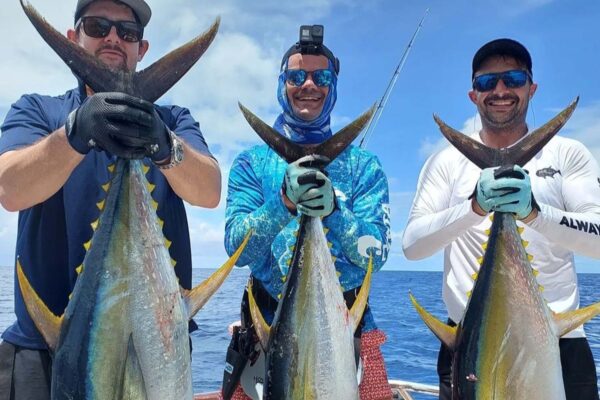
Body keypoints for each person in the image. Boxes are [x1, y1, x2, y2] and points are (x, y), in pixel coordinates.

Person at [0, 0, 221, 398]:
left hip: (154, 346)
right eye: (98, 26)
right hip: (40, 352)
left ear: (142, 49)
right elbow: (10, 189)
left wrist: (164, 145)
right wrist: (75, 132)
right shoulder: (38, 110)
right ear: (74, 37)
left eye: (128, 32)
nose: (114, 38)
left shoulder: (172, 120)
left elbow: (209, 191)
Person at [402, 38, 600, 400]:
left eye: (513, 78)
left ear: (531, 87)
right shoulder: (445, 162)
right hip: (471, 343)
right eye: (486, 82)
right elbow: (412, 245)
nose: (500, 90)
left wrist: (534, 214)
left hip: (560, 340)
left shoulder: (569, 154)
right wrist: (474, 206)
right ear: (473, 95)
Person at [222, 25, 393, 400]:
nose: (308, 85)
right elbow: (237, 249)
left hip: (351, 329)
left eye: (321, 77)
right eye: (297, 76)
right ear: (282, 83)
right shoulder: (252, 163)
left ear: (333, 86)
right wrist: (283, 202)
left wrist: (334, 212)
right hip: (263, 334)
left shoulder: (364, 166)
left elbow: (375, 254)